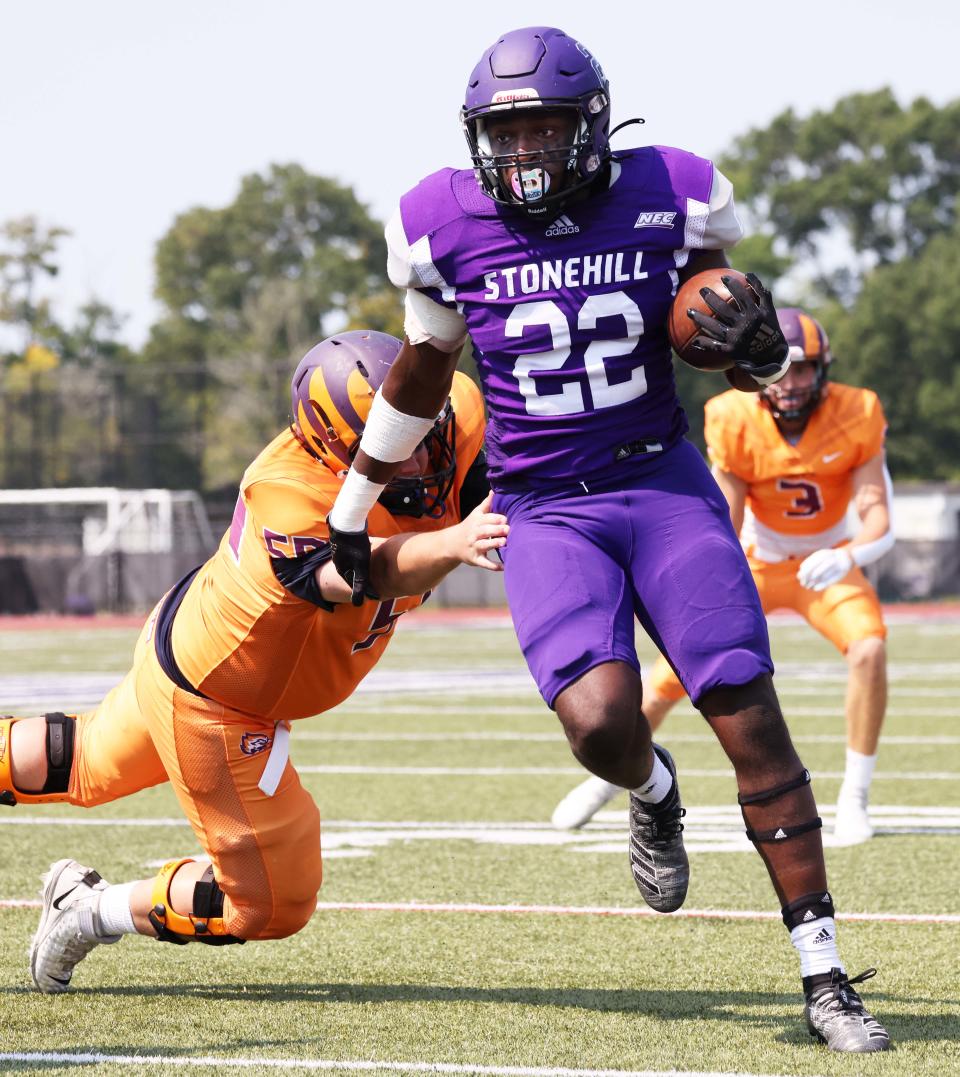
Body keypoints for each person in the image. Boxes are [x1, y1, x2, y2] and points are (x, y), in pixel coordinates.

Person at [324, 28, 891, 1052]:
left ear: (591, 125)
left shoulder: (669, 193)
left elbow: (726, 332)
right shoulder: (439, 224)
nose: (526, 151)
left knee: (745, 712)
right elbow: (418, 373)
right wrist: (349, 508)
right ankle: (654, 790)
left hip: (660, 484)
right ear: (475, 137)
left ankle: (825, 979)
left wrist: (758, 354)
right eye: (506, 131)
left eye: (544, 126)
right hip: (544, 504)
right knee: (597, 722)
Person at [0, 330, 506, 995]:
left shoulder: (450, 406)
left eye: (422, 434)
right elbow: (368, 570)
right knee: (270, 906)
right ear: (333, 451)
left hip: (187, 642)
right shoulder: (287, 495)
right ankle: (90, 910)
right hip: (219, 703)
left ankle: (79, 904)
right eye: (391, 447)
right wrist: (455, 539)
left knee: (85, 760)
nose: (416, 462)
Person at [551, 309, 894, 848]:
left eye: (804, 370)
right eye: (789, 369)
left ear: (824, 370)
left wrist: (848, 556)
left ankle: (855, 796)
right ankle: (606, 781)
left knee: (870, 649)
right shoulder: (733, 416)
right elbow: (724, 518)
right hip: (757, 561)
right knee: (670, 677)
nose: (793, 382)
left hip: (827, 563)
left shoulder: (858, 411)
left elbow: (880, 518)